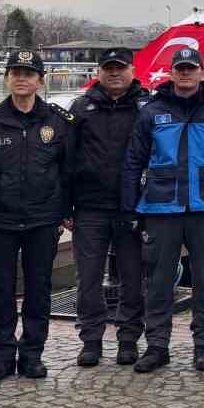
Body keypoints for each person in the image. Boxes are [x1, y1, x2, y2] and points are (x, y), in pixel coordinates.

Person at [120, 46, 204, 374]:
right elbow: (133, 161)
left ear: (202, 73)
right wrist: (130, 207)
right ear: (171, 73)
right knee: (158, 281)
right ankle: (157, 345)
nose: (185, 74)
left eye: (191, 68)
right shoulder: (150, 112)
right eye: (180, 69)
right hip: (160, 206)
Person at [0, 50, 74, 382]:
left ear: (40, 81)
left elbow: (67, 170)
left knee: (39, 288)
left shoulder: (58, 121)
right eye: (15, 72)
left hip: (42, 219)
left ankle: (32, 354)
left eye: (29, 73)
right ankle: (1, 354)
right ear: (7, 78)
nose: (22, 78)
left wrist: (64, 212)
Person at [69, 46, 147, 367]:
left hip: (133, 208)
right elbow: (67, 160)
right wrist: (66, 206)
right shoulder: (81, 107)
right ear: (98, 72)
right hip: (90, 207)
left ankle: (128, 338)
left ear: (132, 70)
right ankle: (91, 339)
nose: (114, 73)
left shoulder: (147, 107)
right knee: (88, 277)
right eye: (108, 68)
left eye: (120, 67)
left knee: (133, 276)